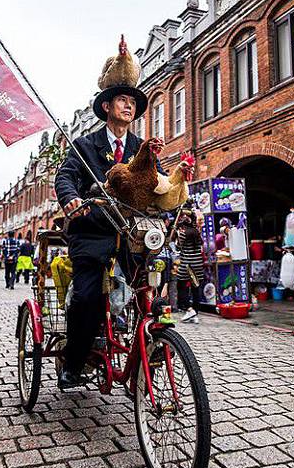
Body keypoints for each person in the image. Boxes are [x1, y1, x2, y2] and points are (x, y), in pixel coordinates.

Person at [54, 35, 166, 389]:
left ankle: (152, 344)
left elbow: (157, 183)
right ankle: (74, 363)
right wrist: (71, 198)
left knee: (152, 287)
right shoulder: (86, 145)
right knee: (86, 295)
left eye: (132, 102)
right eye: (122, 100)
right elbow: (65, 175)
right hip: (93, 233)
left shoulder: (140, 147)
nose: (129, 106)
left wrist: (177, 195)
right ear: (107, 107)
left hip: (132, 236)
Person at [176, 210, 204, 324]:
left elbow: (178, 247)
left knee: (181, 286)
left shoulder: (183, 234)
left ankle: (189, 309)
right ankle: (195, 314)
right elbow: (201, 246)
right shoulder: (197, 232)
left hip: (187, 264)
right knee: (195, 288)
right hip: (198, 264)